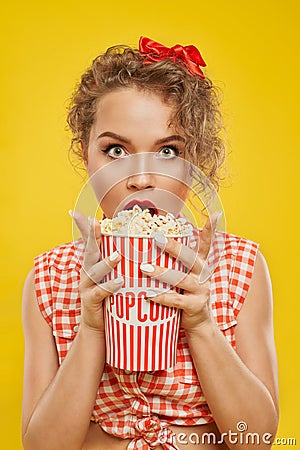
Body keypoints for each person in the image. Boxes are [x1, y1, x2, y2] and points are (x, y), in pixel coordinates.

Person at [22, 37, 279, 450]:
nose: (141, 178)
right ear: (84, 153)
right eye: (116, 150)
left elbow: (258, 441)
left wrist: (200, 325)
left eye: (167, 152)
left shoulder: (239, 266)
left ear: (195, 161)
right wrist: (91, 329)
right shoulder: (49, 279)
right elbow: (42, 447)